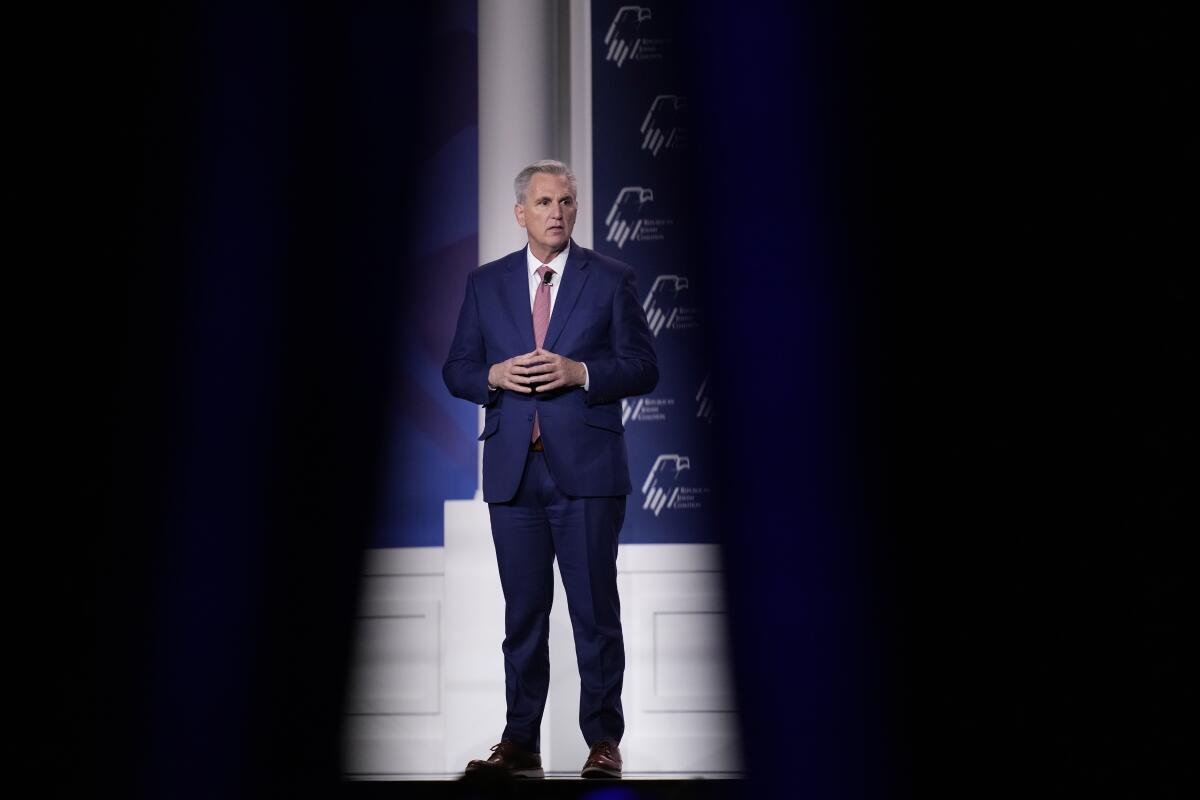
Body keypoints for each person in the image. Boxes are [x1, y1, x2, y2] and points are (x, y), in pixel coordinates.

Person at [443, 159, 658, 779]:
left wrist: (582, 374)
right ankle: (521, 743)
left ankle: (603, 743)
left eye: (566, 202)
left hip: (587, 473)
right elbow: (456, 367)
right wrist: (491, 376)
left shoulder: (611, 278)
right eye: (544, 203)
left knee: (594, 614)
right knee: (523, 616)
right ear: (521, 213)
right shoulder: (486, 284)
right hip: (513, 472)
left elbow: (644, 366)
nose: (557, 213)